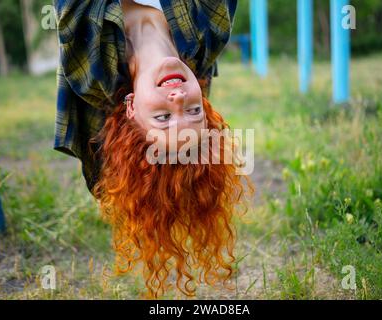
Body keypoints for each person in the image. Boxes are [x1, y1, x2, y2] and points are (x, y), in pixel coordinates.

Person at [54, 0, 252, 298]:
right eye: (194, 110)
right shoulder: (211, 29)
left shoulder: (91, 59)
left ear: (131, 108)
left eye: (163, 118)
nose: (177, 97)